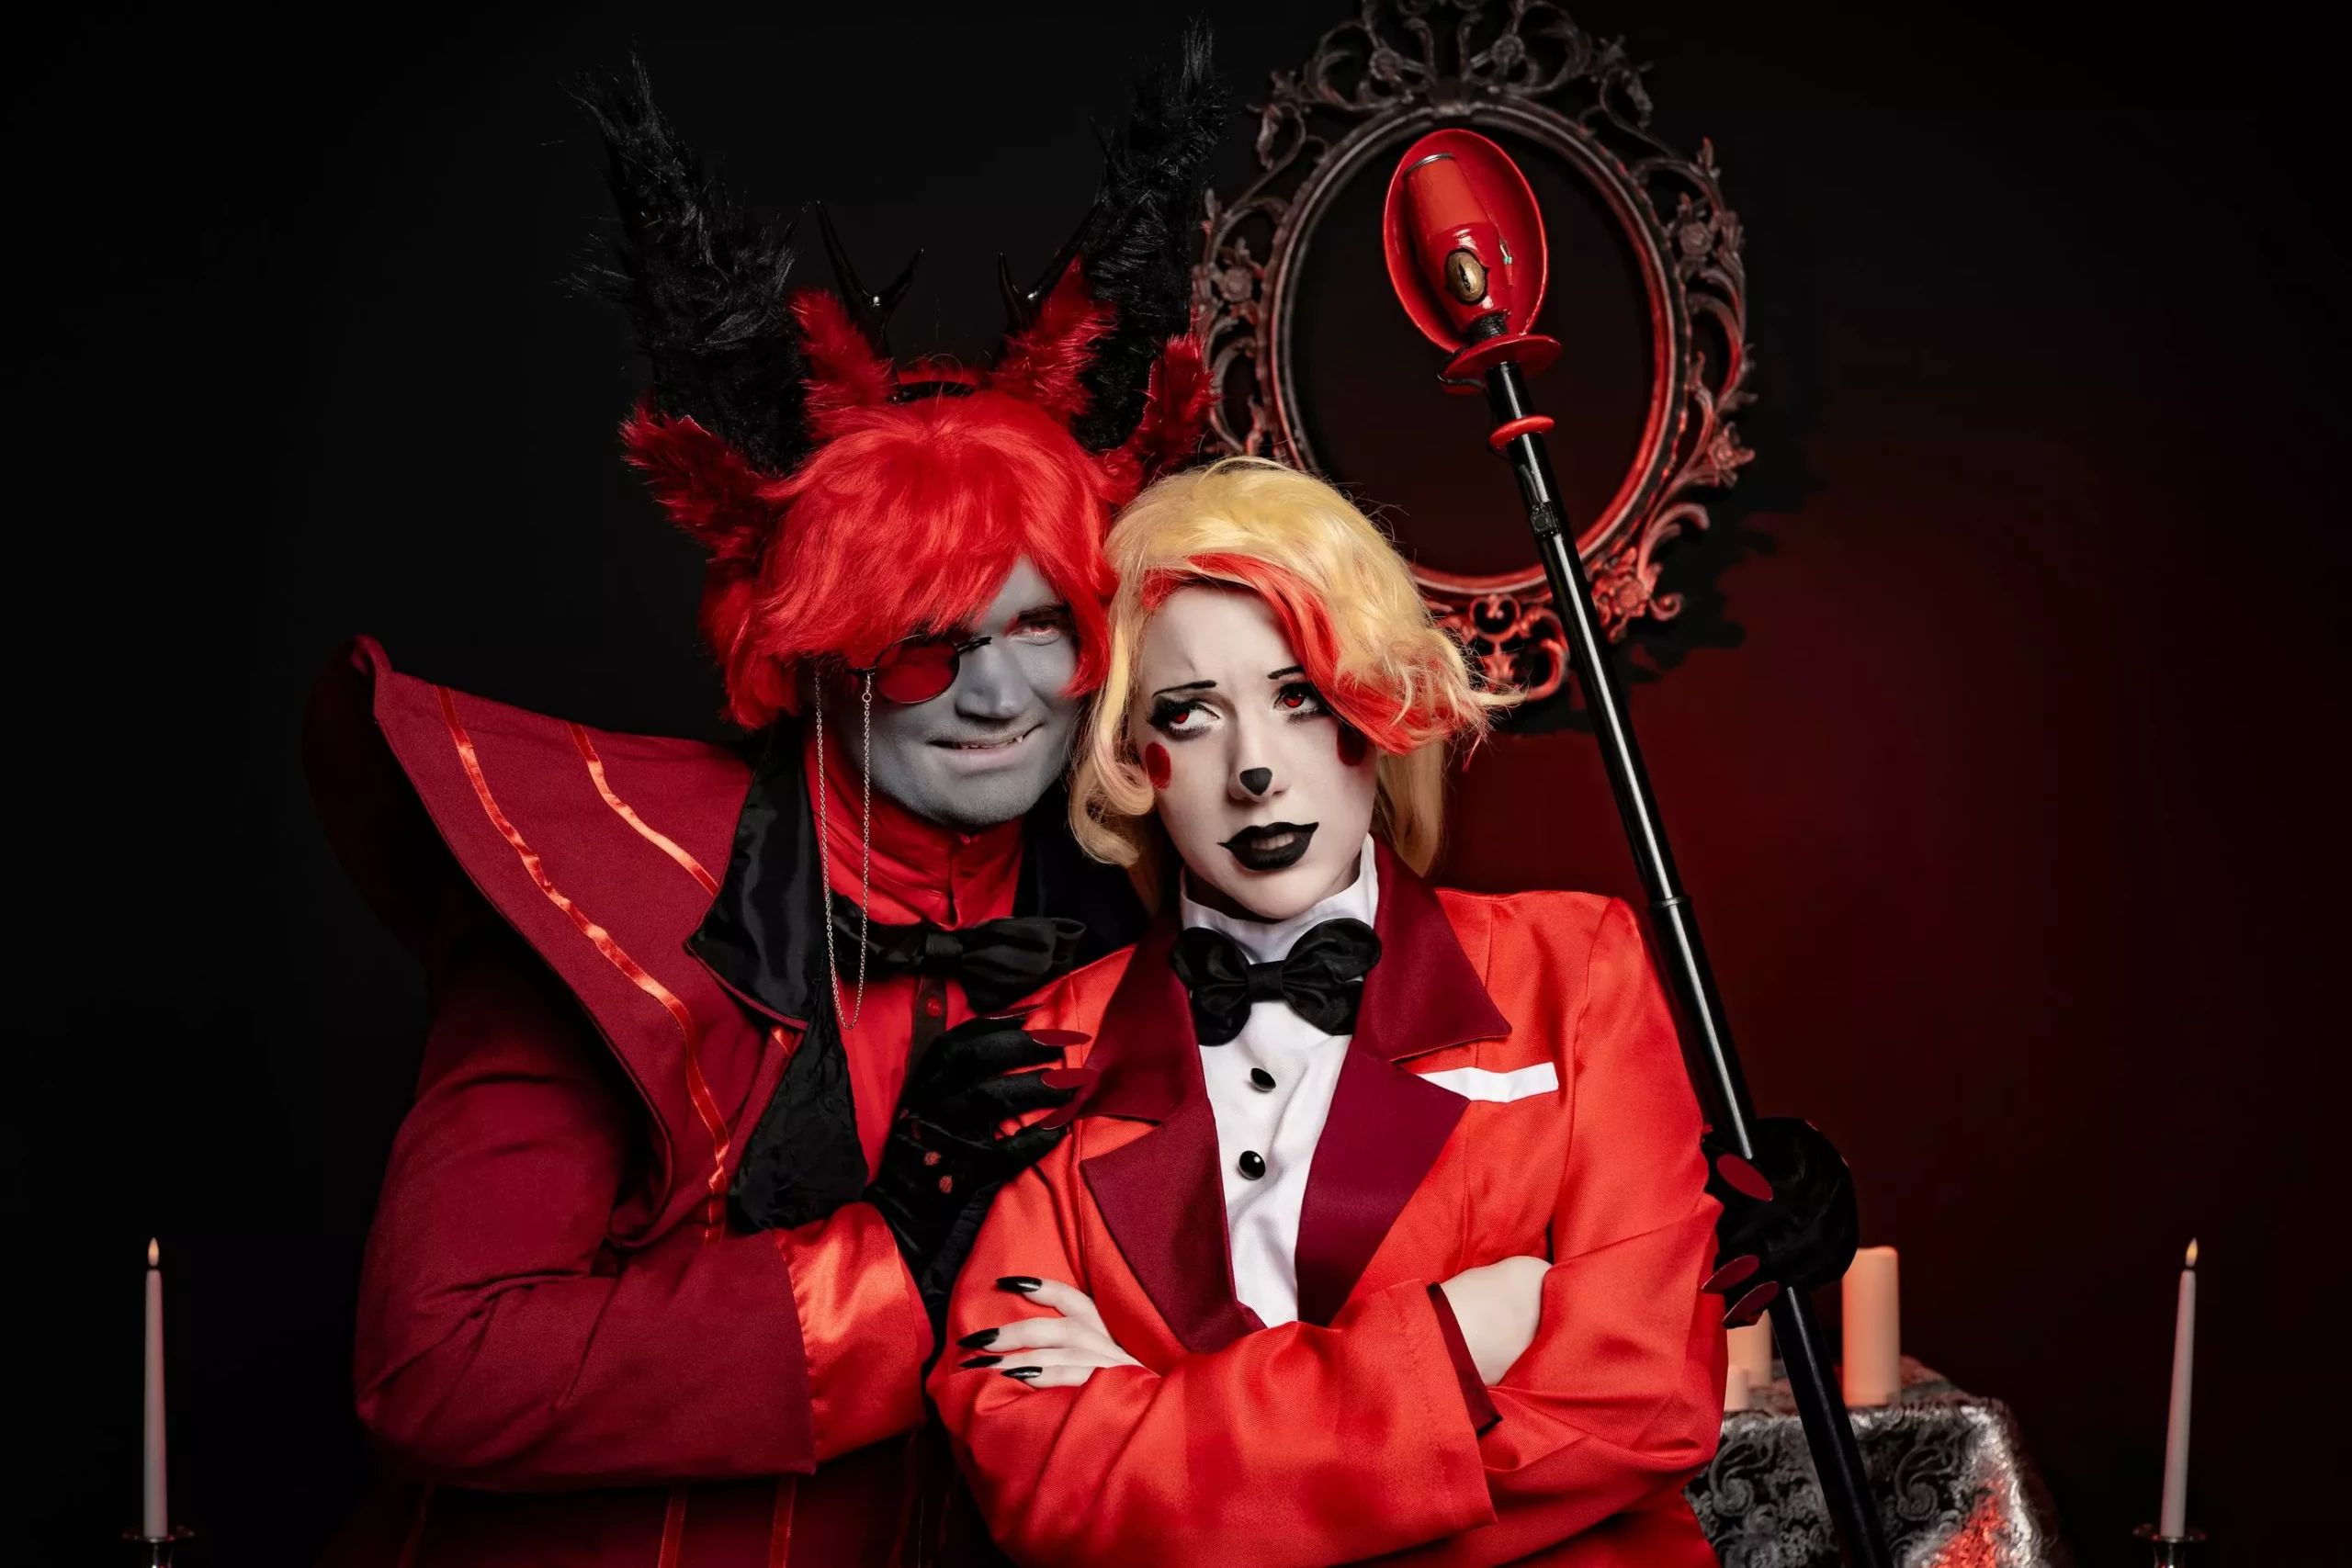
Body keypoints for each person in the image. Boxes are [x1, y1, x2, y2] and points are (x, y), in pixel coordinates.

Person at [304, 37, 1225, 1568]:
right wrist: (892, 1263)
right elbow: (432, 1366)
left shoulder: (1137, 899)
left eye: (1043, 627)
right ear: (811, 651)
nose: (998, 695)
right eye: (923, 643)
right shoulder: (622, 894)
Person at [929, 458, 1728, 1566]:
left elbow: (1642, 1407)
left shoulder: (1572, 970)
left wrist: (1165, 1440)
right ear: (1127, 756)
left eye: (1299, 695)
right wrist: (1449, 1345)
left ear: (1378, 702)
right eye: (1188, 716)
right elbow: (1041, 1482)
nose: (1254, 769)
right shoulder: (1048, 1042)